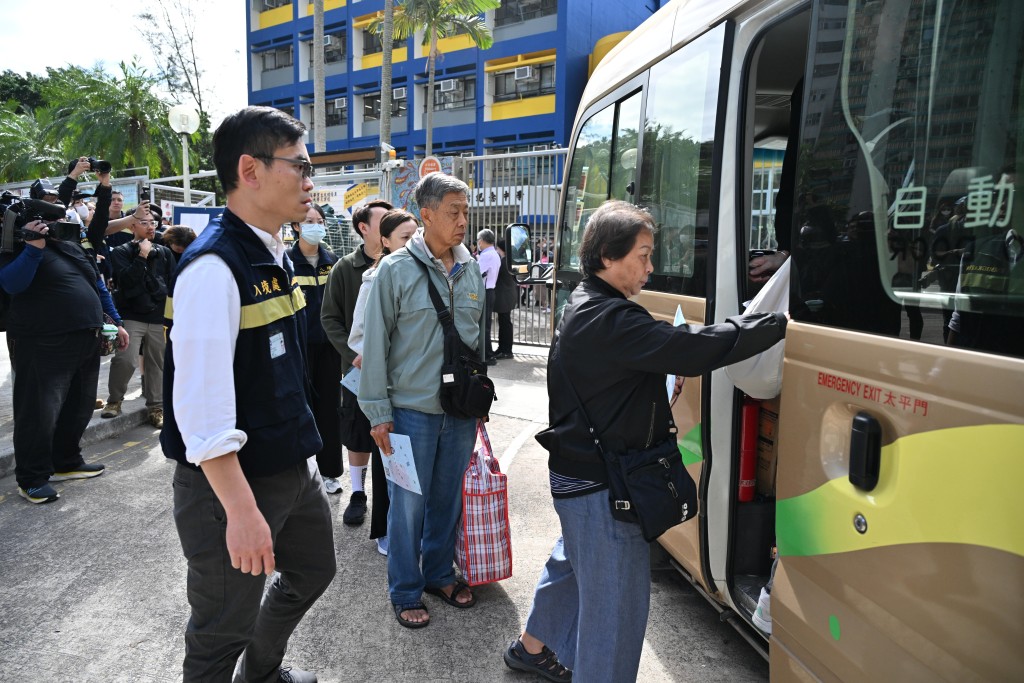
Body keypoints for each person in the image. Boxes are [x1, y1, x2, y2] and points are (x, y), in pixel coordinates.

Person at [506, 200, 788, 682]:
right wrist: (776, 322)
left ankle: (533, 647)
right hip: (603, 490)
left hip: (581, 480)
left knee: (573, 565)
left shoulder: (588, 304)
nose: (651, 266)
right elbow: (693, 348)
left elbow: (616, 376)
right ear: (608, 257)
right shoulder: (610, 318)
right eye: (643, 254)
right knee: (613, 619)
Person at [160, 106, 334, 683]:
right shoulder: (214, 267)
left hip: (287, 465)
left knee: (313, 570)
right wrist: (239, 511)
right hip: (231, 484)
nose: (311, 181)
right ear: (250, 170)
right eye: (300, 165)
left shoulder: (272, 252)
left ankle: (260, 672)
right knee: (218, 632)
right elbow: (200, 407)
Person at [359, 172, 485, 628]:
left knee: (447, 499)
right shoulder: (394, 272)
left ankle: (437, 573)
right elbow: (374, 346)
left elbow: (478, 346)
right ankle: (406, 589)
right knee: (407, 504)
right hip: (410, 413)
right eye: (453, 212)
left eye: (466, 212)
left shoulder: (472, 270)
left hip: (459, 413)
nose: (462, 221)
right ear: (426, 214)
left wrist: (480, 403)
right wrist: (377, 412)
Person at [0, 216, 129, 504]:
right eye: (49, 218)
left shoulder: (71, 247)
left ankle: (66, 462)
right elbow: (11, 284)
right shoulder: (16, 247)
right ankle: (31, 479)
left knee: (79, 405)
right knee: (38, 412)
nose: (58, 222)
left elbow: (98, 286)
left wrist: (116, 321)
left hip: (86, 337)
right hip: (42, 341)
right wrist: (33, 247)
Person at [347, 208, 420, 556]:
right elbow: (358, 338)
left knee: (412, 466)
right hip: (390, 389)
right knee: (390, 461)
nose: (414, 243)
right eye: (406, 238)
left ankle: (413, 533)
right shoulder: (374, 279)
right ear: (386, 242)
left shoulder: (424, 273)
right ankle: (386, 531)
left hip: (419, 389)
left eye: (416, 235)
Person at [321, 198, 393, 519]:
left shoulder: (400, 266)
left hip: (393, 373)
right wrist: (354, 355)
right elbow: (330, 319)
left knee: (389, 433)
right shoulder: (344, 269)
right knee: (356, 431)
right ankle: (359, 493)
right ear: (364, 228)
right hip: (356, 370)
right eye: (383, 221)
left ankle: (389, 498)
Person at [288, 203, 343, 501]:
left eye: (320, 221)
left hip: (329, 349)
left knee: (330, 411)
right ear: (296, 226)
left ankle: (330, 472)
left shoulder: (332, 260)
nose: (316, 225)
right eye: (308, 221)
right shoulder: (286, 261)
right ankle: (299, 472)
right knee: (300, 408)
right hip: (298, 348)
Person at [103, 208, 174, 427]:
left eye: (153, 223)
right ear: (132, 225)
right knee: (125, 359)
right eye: (144, 223)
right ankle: (114, 400)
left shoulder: (164, 252)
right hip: (131, 315)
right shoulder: (121, 252)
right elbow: (126, 282)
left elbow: (172, 284)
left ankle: (157, 407)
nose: (151, 227)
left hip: (158, 316)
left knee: (157, 363)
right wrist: (142, 256)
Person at [476, 228, 500, 364]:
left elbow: (477, 273)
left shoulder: (487, 255)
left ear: (482, 241)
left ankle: (487, 355)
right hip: (490, 291)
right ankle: (488, 353)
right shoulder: (493, 253)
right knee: (485, 324)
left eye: (479, 240)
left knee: (483, 325)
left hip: (486, 291)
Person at [493, 238, 518, 359]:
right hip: (508, 295)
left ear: (500, 248)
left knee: (505, 323)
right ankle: (502, 348)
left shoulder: (503, 262)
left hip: (504, 297)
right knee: (504, 322)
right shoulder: (508, 260)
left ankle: (506, 350)